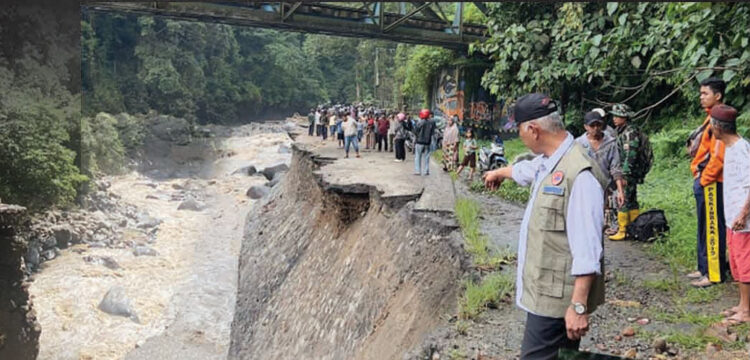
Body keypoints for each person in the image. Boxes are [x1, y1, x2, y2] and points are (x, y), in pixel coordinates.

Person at [483, 93, 607, 359]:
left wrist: (578, 306)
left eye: (519, 132)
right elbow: (526, 171)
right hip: (545, 295)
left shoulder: (580, 175)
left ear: (533, 129)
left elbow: (588, 248)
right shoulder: (551, 161)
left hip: (558, 302)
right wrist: (499, 173)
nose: (520, 138)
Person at [709, 104, 750, 323]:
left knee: (745, 262)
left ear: (718, 127)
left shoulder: (742, 150)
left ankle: (746, 311)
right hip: (733, 216)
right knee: (736, 260)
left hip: (743, 219)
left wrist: (743, 215)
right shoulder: (730, 148)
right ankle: (742, 304)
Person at [688, 77, 729, 287]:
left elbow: (718, 155)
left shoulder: (720, 118)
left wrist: (704, 179)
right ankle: (704, 267)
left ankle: (713, 273)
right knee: (704, 225)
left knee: (712, 226)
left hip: (712, 181)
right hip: (705, 179)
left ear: (718, 95)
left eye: (705, 93)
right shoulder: (710, 117)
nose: (701, 97)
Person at [576, 111, 626, 236]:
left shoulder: (611, 143)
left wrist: (620, 191)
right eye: (592, 126)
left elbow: (616, 167)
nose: (596, 129)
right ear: (586, 127)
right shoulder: (579, 144)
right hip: (585, 188)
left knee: (602, 223)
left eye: (598, 125)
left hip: (605, 187)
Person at [608, 104, 651, 241]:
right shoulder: (624, 131)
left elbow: (630, 155)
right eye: (614, 115)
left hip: (629, 173)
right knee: (631, 200)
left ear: (625, 117)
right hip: (631, 172)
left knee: (624, 200)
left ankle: (623, 230)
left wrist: (624, 175)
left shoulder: (629, 133)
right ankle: (634, 228)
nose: (615, 118)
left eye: (618, 116)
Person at [414, 109, 435, 176]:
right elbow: (432, 132)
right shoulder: (431, 122)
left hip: (419, 142)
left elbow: (415, 131)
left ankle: (418, 171)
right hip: (427, 142)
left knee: (418, 156)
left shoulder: (420, 122)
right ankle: (426, 171)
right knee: (426, 157)